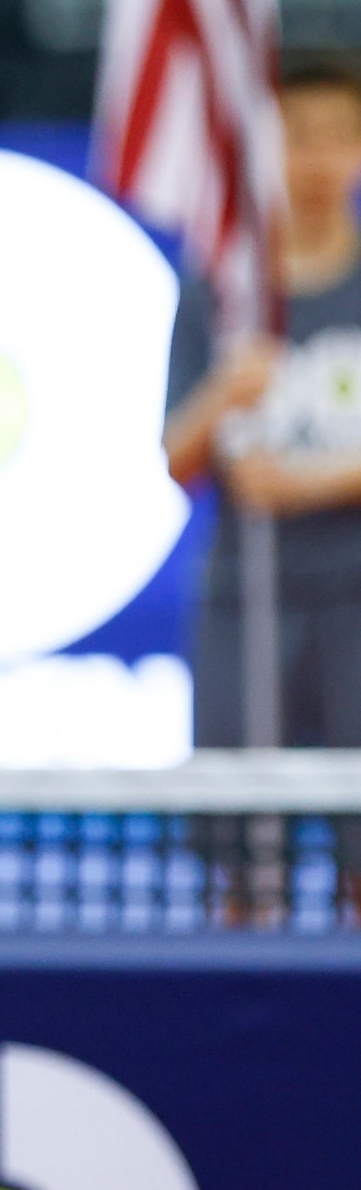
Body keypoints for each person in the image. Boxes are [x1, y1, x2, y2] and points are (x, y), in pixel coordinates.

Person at [164, 52, 361, 750]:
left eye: (336, 135)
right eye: (296, 135)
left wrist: (310, 482)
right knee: (238, 831)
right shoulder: (220, 289)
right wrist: (227, 391)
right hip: (244, 597)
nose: (317, 158)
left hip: (352, 600)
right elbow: (173, 457)